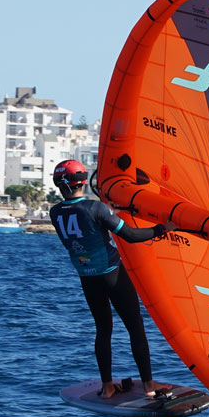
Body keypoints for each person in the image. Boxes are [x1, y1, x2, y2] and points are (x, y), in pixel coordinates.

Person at [49, 159, 175, 399]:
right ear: (84, 181)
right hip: (112, 273)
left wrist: (111, 213)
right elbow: (130, 235)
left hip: (87, 277)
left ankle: (107, 387)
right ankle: (149, 387)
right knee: (135, 326)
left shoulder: (55, 212)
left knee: (103, 329)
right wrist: (161, 229)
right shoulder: (96, 209)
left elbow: (86, 220)